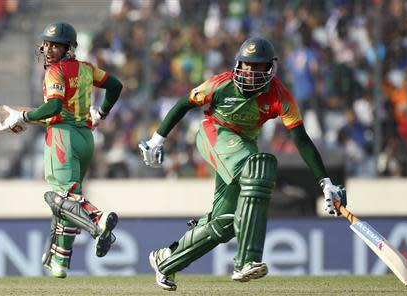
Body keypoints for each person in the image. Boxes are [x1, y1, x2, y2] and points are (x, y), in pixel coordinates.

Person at [139, 36, 347, 291]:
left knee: (224, 223)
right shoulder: (220, 83)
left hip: (244, 144)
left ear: (269, 68)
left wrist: (325, 183)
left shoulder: (280, 95)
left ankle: (166, 260)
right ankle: (246, 261)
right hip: (214, 133)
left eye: (256, 65)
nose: (249, 70)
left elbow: (301, 139)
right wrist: (157, 139)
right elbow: (184, 104)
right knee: (258, 167)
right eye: (246, 64)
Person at [0, 21, 123, 278]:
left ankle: (98, 220)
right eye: (47, 43)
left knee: (59, 198)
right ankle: (59, 261)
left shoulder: (55, 72)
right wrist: (101, 112)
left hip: (62, 139)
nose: (49, 48)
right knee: (68, 201)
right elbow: (115, 86)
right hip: (85, 138)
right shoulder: (86, 69)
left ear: (68, 48)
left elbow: (54, 108)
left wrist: (23, 116)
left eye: (56, 45)